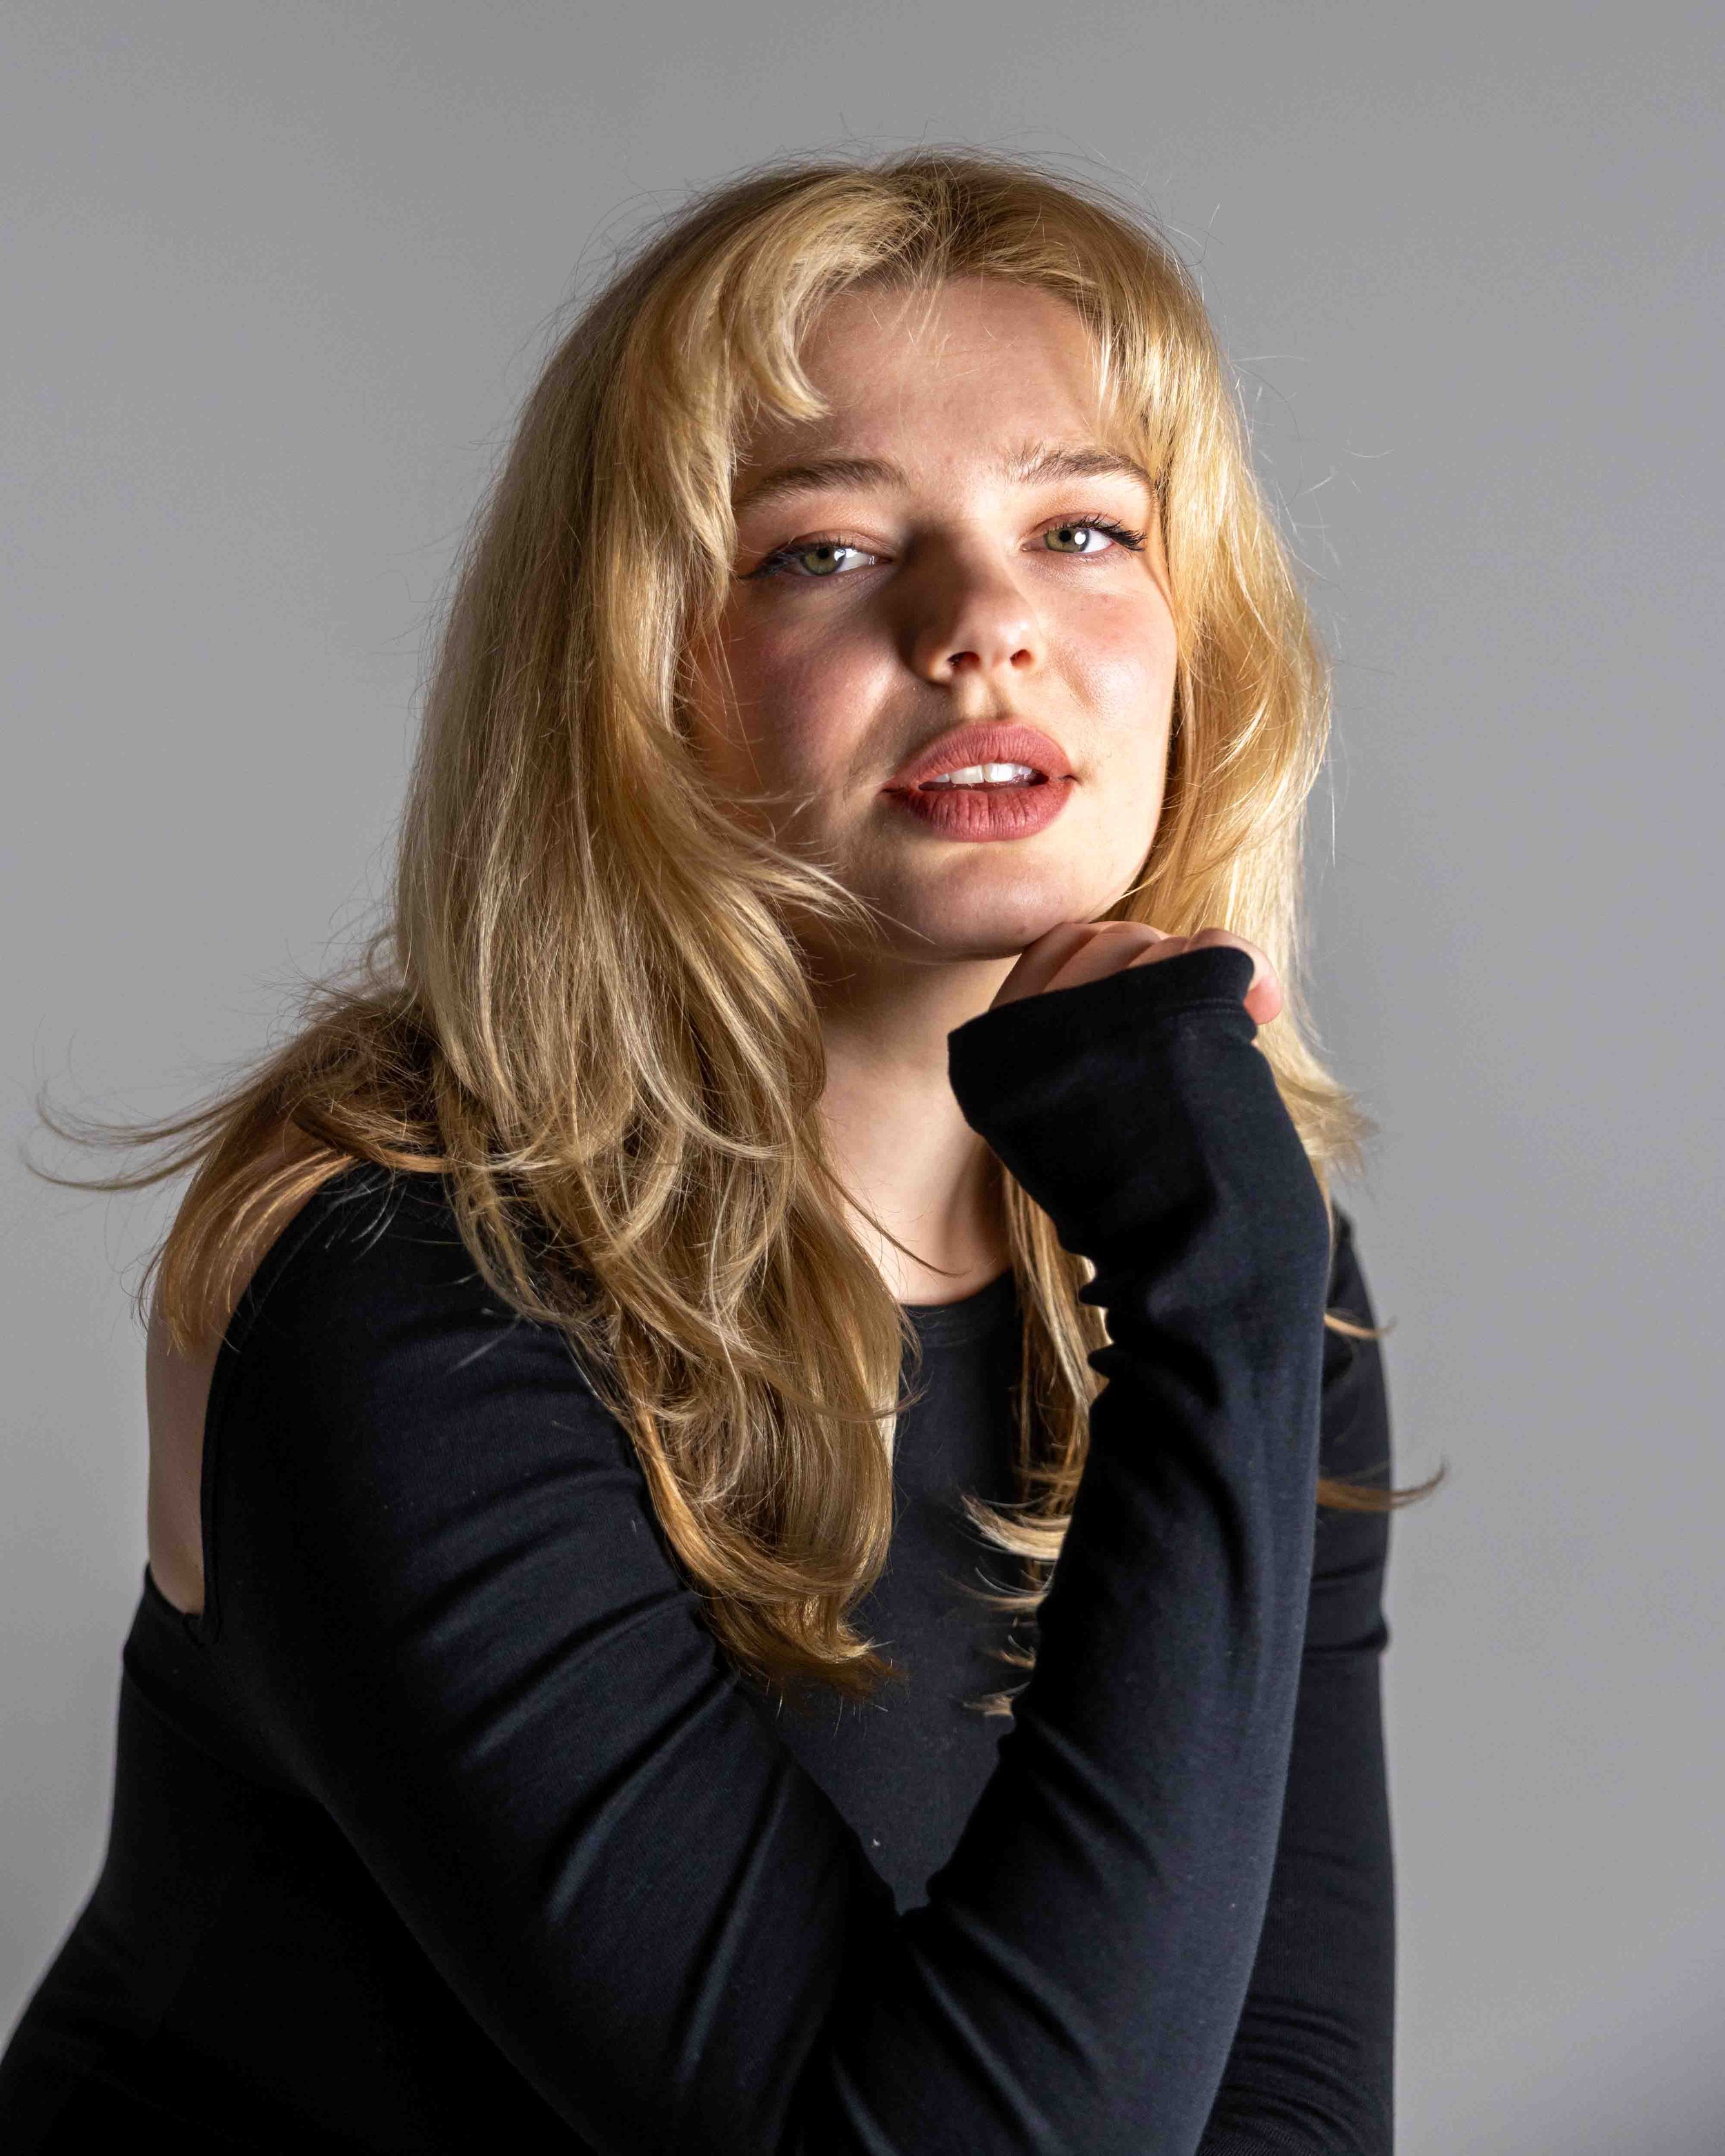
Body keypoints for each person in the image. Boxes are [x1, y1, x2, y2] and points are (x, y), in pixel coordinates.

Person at [1, 151, 1435, 2151]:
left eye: (1083, 529)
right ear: (629, 672)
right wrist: (1224, 1296)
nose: (984, 625)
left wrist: (1229, 1287)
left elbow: (1286, 2096)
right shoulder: (396, 1287)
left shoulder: (1214, 1236)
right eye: (822, 551)